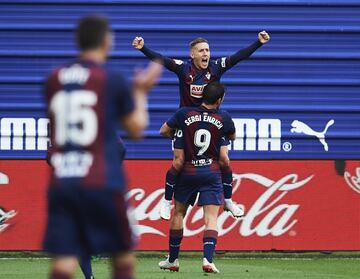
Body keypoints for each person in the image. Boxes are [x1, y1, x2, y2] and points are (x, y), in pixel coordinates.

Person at [43, 15, 162, 279]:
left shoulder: (54, 78)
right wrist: (141, 92)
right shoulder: (111, 78)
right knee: (122, 255)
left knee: (64, 260)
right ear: (107, 41)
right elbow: (135, 130)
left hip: (63, 181)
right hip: (100, 179)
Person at [132, 31, 270, 220]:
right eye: (201, 51)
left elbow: (239, 57)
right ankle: (166, 202)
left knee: (225, 160)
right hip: (187, 122)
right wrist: (143, 49)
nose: (206, 54)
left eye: (207, 50)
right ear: (192, 55)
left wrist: (258, 43)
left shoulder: (215, 68)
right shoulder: (183, 69)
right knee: (178, 162)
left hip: (212, 121)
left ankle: (228, 201)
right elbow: (162, 60)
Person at [158, 82, 236, 273]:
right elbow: (232, 137)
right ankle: (208, 260)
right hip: (211, 173)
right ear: (220, 99)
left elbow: (163, 131)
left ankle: (173, 260)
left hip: (187, 172)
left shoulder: (184, 114)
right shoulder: (224, 117)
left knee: (178, 214)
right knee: (210, 218)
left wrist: (176, 135)